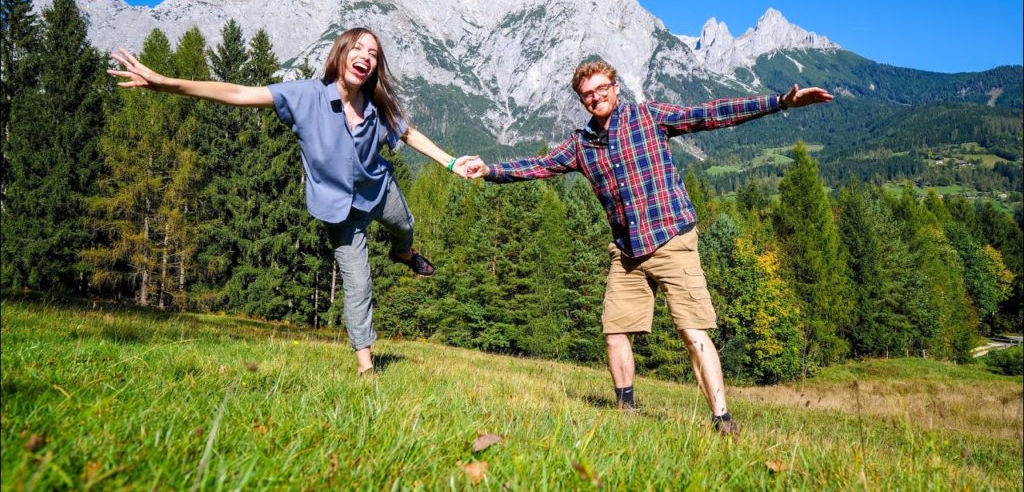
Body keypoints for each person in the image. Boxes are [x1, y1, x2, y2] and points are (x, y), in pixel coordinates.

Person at [465, 60, 833, 435]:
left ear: (615, 87)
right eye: (587, 94)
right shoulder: (582, 144)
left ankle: (721, 419)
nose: (596, 97)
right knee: (615, 330)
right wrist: (489, 170)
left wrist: (780, 102)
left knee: (693, 331)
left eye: (601, 89)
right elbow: (539, 165)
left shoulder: (648, 116)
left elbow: (709, 114)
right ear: (582, 101)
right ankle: (625, 410)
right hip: (627, 253)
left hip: (672, 240)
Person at [109, 27, 475, 376]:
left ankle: (403, 253)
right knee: (358, 284)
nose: (366, 56)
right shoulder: (306, 96)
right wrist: (165, 84)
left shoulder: (376, 104)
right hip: (339, 211)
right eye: (358, 48)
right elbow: (239, 93)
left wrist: (450, 162)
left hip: (378, 191)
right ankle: (366, 366)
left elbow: (407, 133)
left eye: (374, 54)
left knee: (406, 227)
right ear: (341, 54)